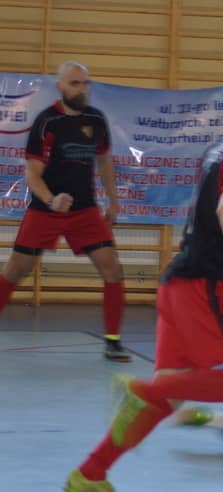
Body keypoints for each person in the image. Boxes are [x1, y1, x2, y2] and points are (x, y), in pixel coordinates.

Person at [63, 63, 223, 492]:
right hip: (202, 286)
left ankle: (91, 473)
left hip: (176, 282)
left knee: (171, 391)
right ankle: (142, 392)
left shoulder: (220, 146)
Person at [0, 61, 129, 361]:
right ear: (60, 86)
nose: (82, 89)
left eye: (85, 83)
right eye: (74, 83)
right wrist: (51, 199)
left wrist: (113, 201)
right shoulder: (47, 122)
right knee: (15, 270)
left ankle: (112, 341)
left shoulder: (96, 119)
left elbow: (104, 161)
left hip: (85, 210)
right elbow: (32, 173)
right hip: (46, 210)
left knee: (112, 269)